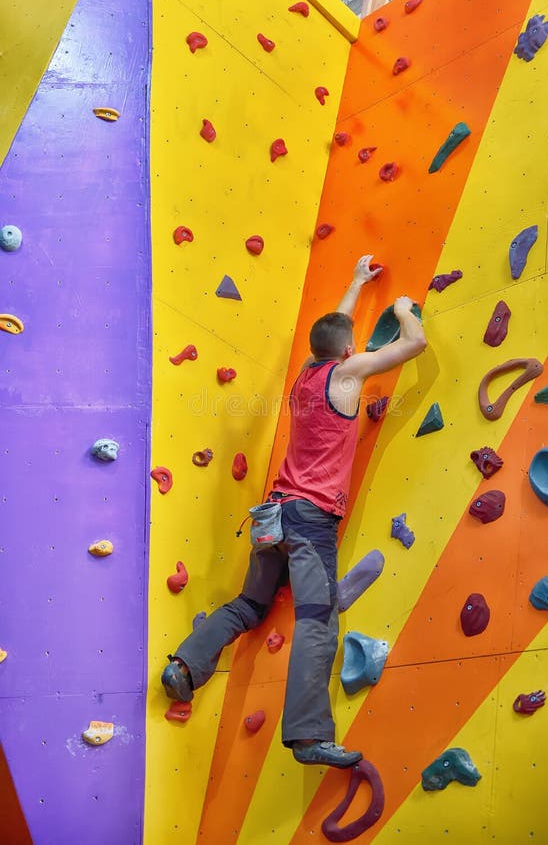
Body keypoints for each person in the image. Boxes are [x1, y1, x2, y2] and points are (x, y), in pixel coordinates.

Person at [161, 255, 427, 768]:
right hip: (310, 521)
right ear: (348, 351)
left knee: (248, 606)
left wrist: (354, 283)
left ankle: (184, 668)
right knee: (317, 620)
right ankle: (307, 736)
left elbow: (330, 330)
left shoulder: (307, 376)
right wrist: (401, 308)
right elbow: (413, 344)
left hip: (273, 515)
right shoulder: (347, 374)